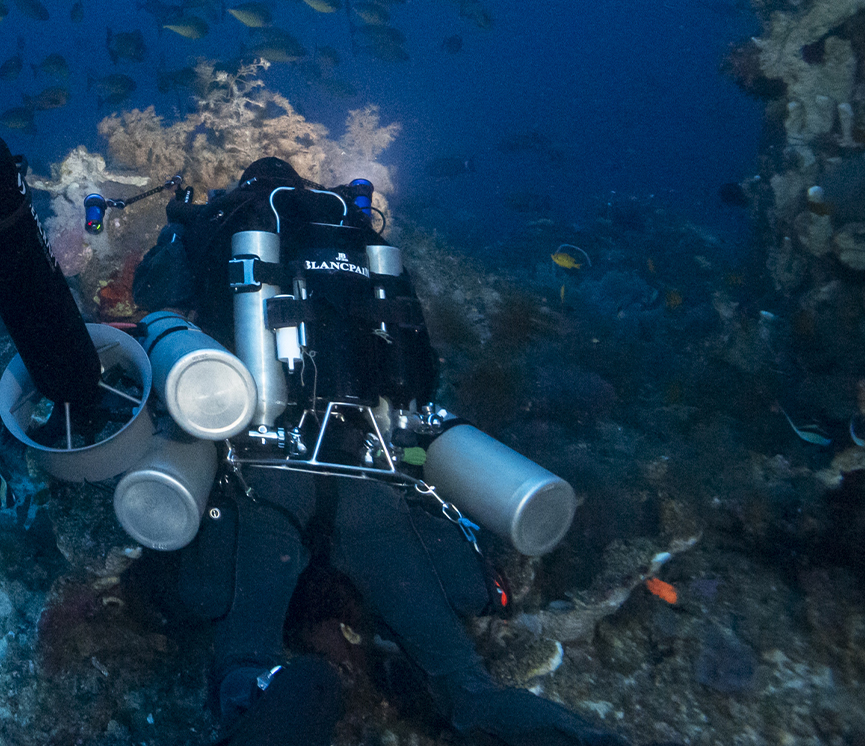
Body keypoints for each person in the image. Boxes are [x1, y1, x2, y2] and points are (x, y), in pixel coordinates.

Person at [131, 157, 628, 746]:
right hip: (372, 472)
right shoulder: (360, 241)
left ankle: (276, 693)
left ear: (248, 190)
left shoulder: (221, 224)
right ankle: (533, 723)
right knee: (464, 683)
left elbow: (153, 302)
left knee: (242, 657)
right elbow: (419, 372)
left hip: (267, 474)